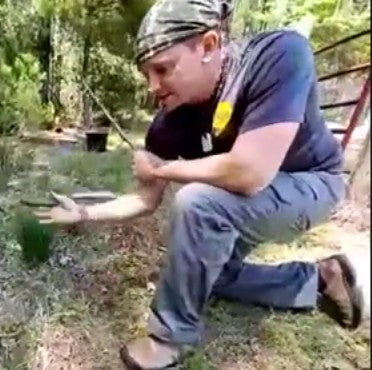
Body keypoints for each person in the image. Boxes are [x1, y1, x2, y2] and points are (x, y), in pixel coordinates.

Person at [36, 0, 364, 369]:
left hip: (311, 181)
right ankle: (319, 278)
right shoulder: (169, 122)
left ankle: (168, 339)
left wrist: (163, 170)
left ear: (208, 45)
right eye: (147, 74)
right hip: (251, 197)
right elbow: (143, 200)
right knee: (209, 276)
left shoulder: (277, 55)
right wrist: (82, 212)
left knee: (197, 201)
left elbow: (249, 171)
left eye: (163, 69)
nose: (153, 86)